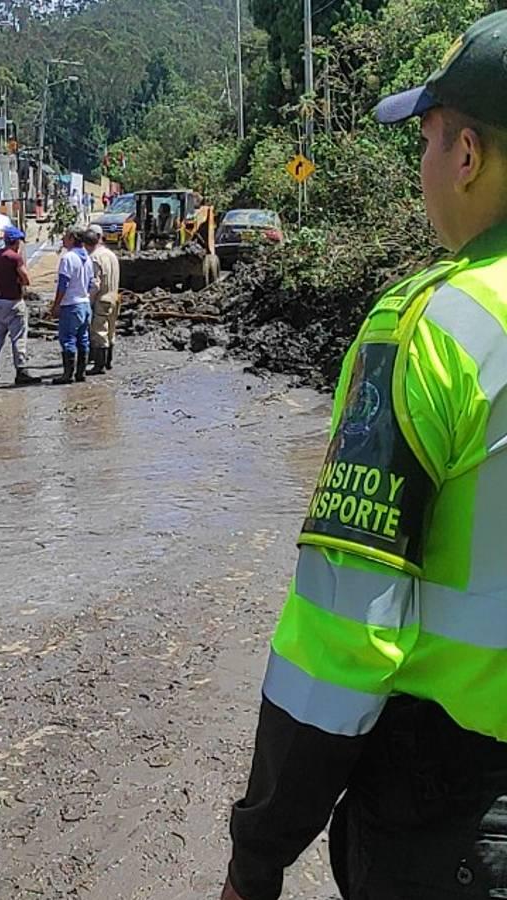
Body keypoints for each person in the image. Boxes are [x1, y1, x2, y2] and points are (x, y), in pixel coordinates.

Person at [222, 11, 507, 900]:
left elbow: (341, 641)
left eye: (425, 139)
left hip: (457, 814)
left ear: (466, 156)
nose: (423, 167)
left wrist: (259, 850)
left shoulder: (431, 331)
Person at [0, 226, 42, 386]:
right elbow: (26, 278)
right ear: (16, 242)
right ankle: (21, 370)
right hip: (14, 301)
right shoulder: (15, 258)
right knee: (18, 337)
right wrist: (21, 281)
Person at [49, 228, 94, 384]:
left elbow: (63, 284)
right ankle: (80, 373)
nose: (62, 239)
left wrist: (56, 305)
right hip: (85, 303)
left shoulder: (68, 258)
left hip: (71, 305)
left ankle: (68, 375)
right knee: (83, 339)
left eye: (65, 236)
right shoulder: (87, 258)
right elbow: (90, 283)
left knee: (68, 339)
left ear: (72, 238)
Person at [85, 225, 120, 374]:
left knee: (99, 331)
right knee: (111, 330)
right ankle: (109, 361)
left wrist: (89, 301)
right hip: (115, 296)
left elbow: (95, 284)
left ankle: (99, 366)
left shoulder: (94, 258)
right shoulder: (111, 254)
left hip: (102, 298)